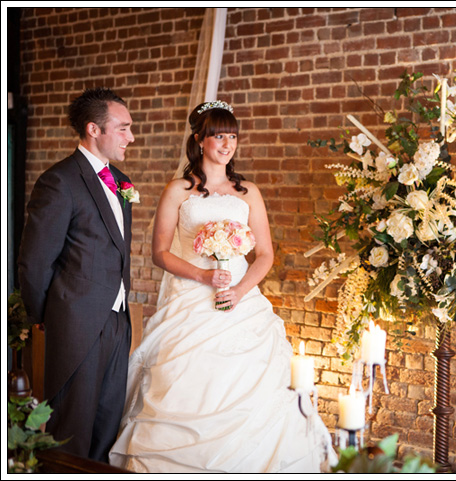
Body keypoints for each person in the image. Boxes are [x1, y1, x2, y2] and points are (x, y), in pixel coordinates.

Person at [108, 100, 334, 473]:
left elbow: (264, 254)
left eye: (232, 136)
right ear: (199, 141)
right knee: (184, 382)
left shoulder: (248, 193)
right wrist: (202, 277)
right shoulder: (179, 190)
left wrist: (240, 290)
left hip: (240, 302)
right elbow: (160, 253)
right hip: (190, 298)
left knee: (255, 388)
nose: (226, 144)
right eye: (217, 136)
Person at [18, 87, 136, 462]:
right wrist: (47, 318)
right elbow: (34, 262)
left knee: (105, 428)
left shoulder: (120, 180)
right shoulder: (59, 181)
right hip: (77, 324)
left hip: (118, 321)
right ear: (93, 129)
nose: (131, 137)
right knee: (71, 433)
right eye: (123, 128)